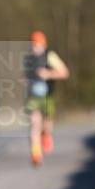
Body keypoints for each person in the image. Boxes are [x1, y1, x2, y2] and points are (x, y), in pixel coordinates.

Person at [23, 31, 69, 165]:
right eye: (32, 45)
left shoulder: (50, 56)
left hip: (48, 95)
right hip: (33, 96)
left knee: (47, 124)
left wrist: (48, 74)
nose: (34, 48)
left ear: (43, 45)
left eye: (37, 45)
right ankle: (36, 154)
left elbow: (64, 73)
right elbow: (24, 75)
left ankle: (46, 134)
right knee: (34, 123)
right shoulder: (28, 59)